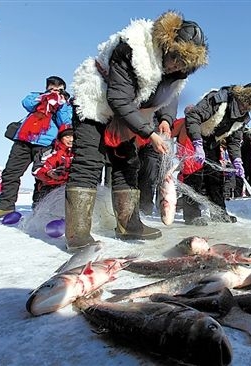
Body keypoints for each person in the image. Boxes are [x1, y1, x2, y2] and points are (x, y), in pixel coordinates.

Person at [66, 11, 208, 251]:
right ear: (166, 46)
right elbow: (118, 98)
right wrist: (149, 133)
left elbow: (169, 96)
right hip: (97, 101)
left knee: (128, 163)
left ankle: (129, 224)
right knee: (88, 162)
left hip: (131, 113)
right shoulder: (132, 48)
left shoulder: (175, 71)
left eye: (183, 65)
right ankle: (77, 234)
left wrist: (165, 119)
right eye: (176, 59)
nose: (176, 67)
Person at [0, 76, 73, 218]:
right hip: (24, 139)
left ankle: (39, 208)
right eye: (52, 89)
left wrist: (61, 103)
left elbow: (66, 122)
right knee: (11, 172)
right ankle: (5, 206)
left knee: (42, 176)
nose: (55, 92)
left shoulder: (64, 105)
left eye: (59, 90)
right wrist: (45, 97)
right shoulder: (38, 98)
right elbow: (26, 102)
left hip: (46, 143)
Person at [181, 83, 251, 225]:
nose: (245, 108)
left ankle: (219, 213)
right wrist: (197, 143)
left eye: (249, 106)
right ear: (240, 96)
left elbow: (234, 140)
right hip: (193, 136)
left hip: (212, 142)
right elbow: (193, 116)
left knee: (216, 178)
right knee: (194, 176)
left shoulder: (242, 118)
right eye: (245, 103)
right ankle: (192, 215)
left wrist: (237, 160)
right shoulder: (218, 99)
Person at [32, 125, 74, 204]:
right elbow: (36, 170)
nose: (71, 140)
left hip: (69, 188)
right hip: (49, 187)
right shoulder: (49, 151)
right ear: (60, 138)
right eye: (67, 137)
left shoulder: (79, 152)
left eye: (73, 137)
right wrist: (48, 173)